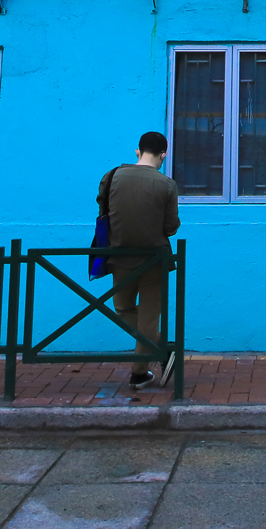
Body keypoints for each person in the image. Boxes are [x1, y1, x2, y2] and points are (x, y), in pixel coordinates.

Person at [97, 131, 179, 386]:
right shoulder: (167, 184)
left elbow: (103, 212)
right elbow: (171, 228)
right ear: (164, 154)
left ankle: (140, 372)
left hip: (120, 255)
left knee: (122, 309)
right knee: (149, 316)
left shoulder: (110, 177)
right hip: (155, 259)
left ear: (137, 151)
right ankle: (161, 353)